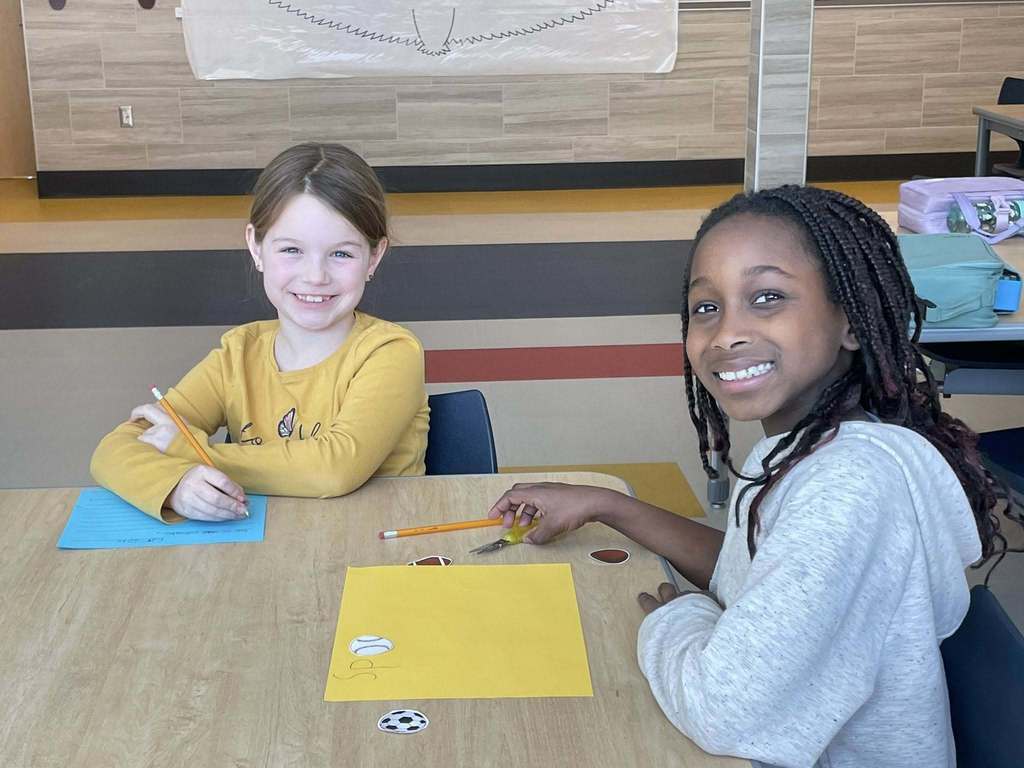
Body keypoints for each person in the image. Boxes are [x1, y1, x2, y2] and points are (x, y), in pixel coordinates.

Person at [488, 185, 1019, 767]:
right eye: (706, 307)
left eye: (767, 297)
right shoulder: (803, 448)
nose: (725, 334)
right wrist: (607, 503)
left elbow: (723, 709)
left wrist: (679, 619)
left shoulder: (848, 488)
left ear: (852, 322)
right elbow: (751, 573)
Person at [91, 143, 429, 522]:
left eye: (341, 254)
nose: (315, 276)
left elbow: (334, 468)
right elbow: (112, 449)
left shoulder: (391, 351)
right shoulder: (239, 352)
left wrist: (191, 451)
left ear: (374, 257)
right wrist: (176, 486)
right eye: (291, 250)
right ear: (256, 246)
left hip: (374, 548)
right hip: (262, 551)